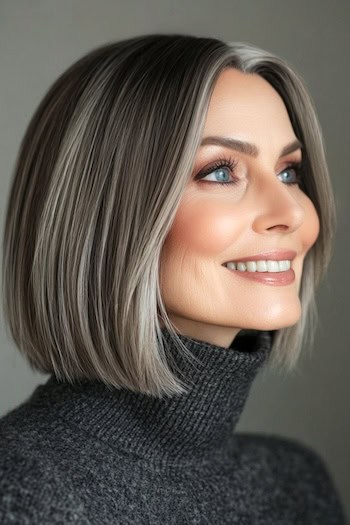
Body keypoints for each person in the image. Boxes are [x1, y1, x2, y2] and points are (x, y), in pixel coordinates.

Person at [0, 33, 346, 524]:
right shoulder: (22, 489)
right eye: (221, 172)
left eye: (289, 172)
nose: (290, 210)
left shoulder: (296, 483)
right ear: (105, 214)